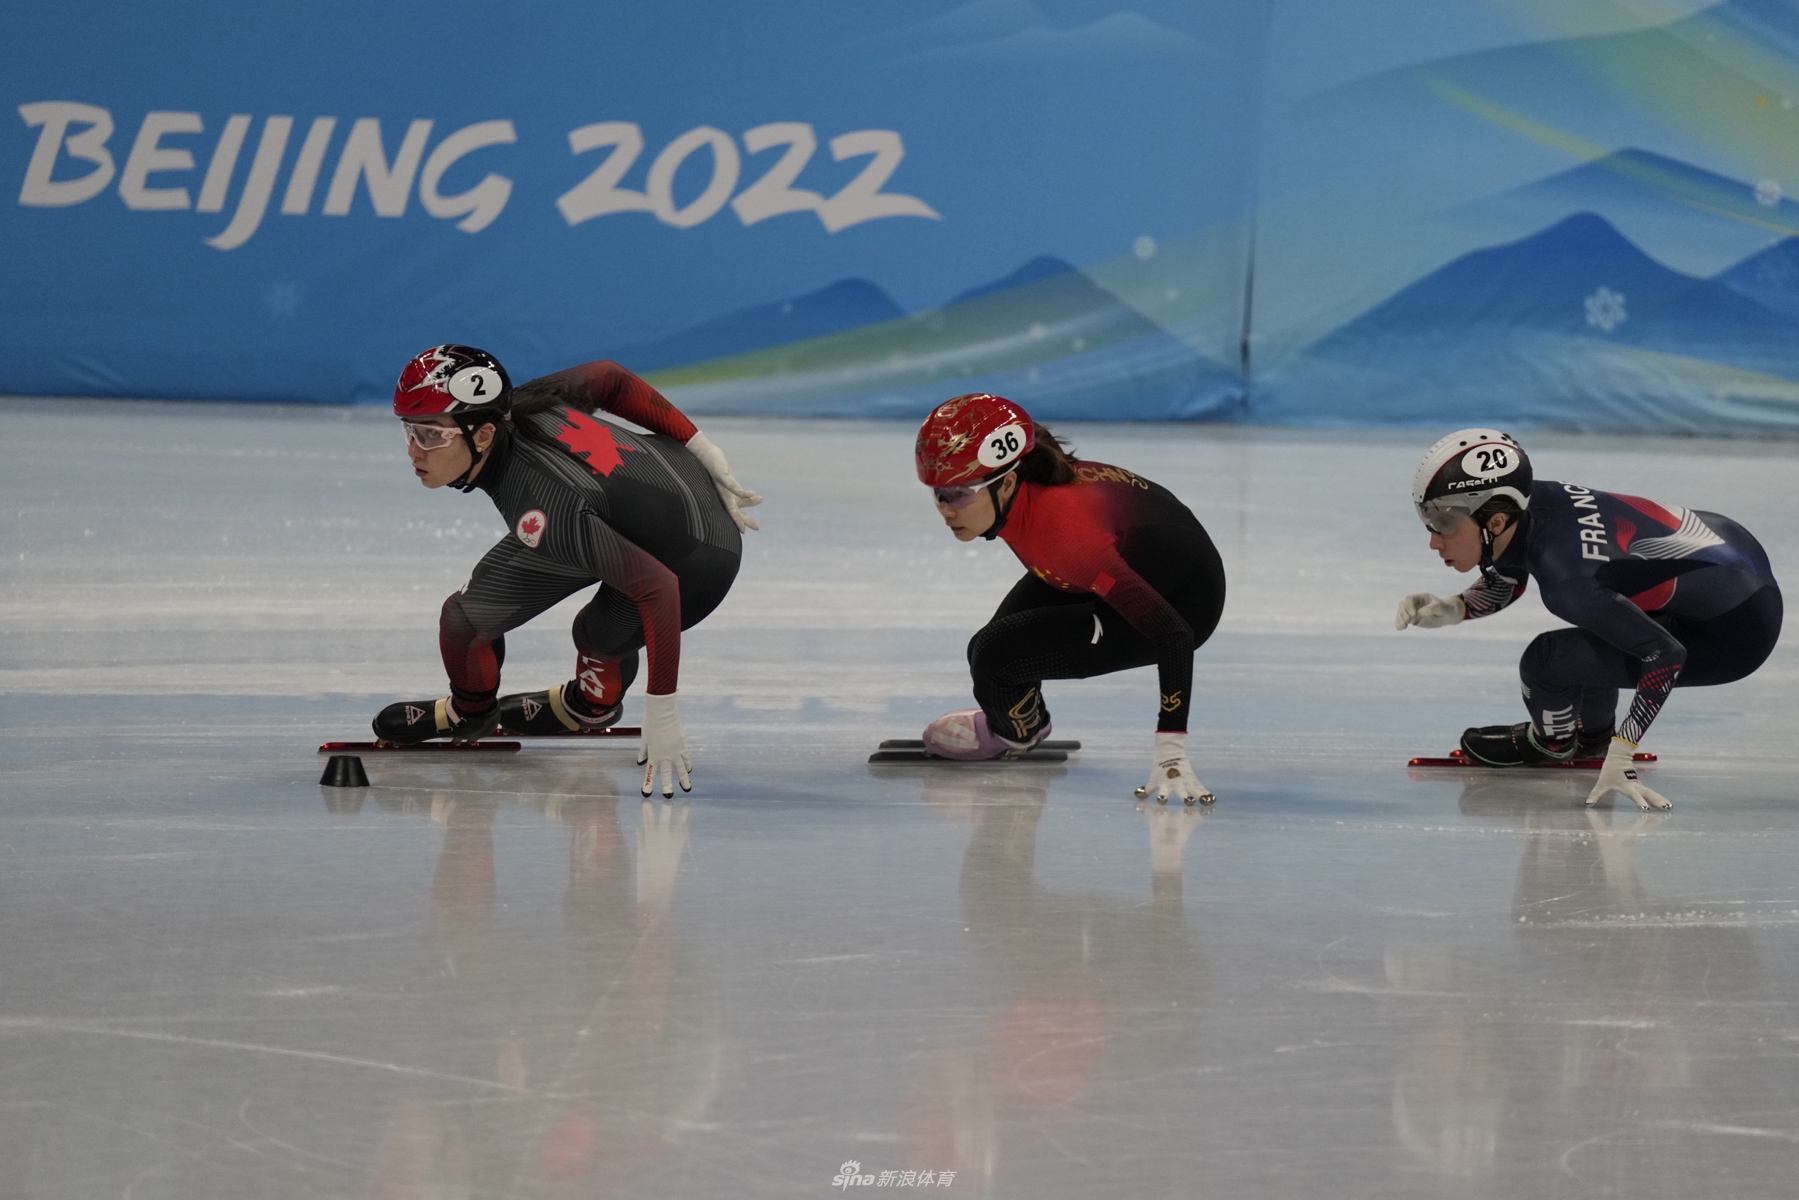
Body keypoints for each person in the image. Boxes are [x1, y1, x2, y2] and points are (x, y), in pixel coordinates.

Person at [371, 345, 761, 796]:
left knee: (595, 634)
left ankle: (591, 704)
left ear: (481, 437)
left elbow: (659, 588)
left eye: (430, 435)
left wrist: (662, 708)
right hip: (651, 489)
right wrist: (700, 445)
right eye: (408, 431)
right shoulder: (525, 403)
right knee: (463, 619)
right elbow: (609, 376)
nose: (413, 450)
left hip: (696, 559)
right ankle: (469, 710)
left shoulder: (544, 507)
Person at [1396, 428, 1781, 809]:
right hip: (1734, 554)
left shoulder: (1569, 583)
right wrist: (1455, 608)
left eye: (1443, 522)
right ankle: (1593, 735)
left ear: (1495, 522)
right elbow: (1509, 567)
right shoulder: (1529, 502)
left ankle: (1553, 744)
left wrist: (1623, 753)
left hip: (1737, 637)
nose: (1433, 539)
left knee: (1546, 661)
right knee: (1602, 624)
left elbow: (1666, 655)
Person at [913, 393, 1227, 804]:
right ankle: (1030, 720)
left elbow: (1174, 634)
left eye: (957, 494)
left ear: (1006, 482)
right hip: (1125, 564)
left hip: (1184, 604)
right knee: (990, 647)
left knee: (994, 657)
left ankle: (1015, 733)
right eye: (937, 493)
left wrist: (1171, 750)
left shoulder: (1068, 540)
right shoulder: (1024, 488)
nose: (945, 510)